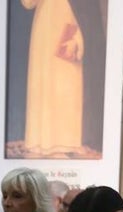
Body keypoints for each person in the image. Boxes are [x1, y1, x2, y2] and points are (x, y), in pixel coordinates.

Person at [22, 0, 84, 155]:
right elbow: (27, 3)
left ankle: (66, 143)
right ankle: (43, 142)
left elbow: (87, 14)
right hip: (46, 31)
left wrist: (77, 41)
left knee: (68, 85)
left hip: (70, 28)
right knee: (46, 82)